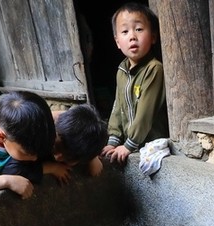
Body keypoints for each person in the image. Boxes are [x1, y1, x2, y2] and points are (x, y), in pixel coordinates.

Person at [101, 2, 169, 165]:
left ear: (153, 36)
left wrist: (129, 145)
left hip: (150, 143)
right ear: (117, 41)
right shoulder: (122, 70)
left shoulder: (154, 69)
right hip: (130, 144)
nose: (132, 36)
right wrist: (113, 140)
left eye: (138, 29)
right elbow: (118, 107)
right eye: (125, 31)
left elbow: (146, 112)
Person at [52, 103, 108, 177]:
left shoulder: (70, 129)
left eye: (68, 158)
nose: (57, 157)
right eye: (56, 147)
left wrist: (92, 158)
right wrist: (52, 168)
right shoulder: (45, 124)